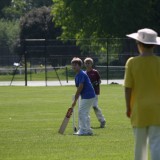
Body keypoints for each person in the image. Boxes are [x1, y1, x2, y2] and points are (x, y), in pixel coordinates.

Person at [124, 28, 160, 160]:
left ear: (139, 44)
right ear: (154, 45)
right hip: (157, 109)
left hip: (139, 109)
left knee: (140, 145)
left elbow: (128, 87)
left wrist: (128, 107)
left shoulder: (132, 62)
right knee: (156, 144)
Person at [71, 57, 96, 136]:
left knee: (81, 112)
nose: (74, 66)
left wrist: (75, 99)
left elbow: (80, 87)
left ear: (80, 66)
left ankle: (83, 130)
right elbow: (78, 87)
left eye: (75, 65)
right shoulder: (77, 76)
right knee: (85, 113)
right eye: (73, 65)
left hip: (88, 95)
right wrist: (76, 98)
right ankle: (88, 130)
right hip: (88, 96)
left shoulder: (81, 74)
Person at [84, 57, 106, 128]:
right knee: (86, 108)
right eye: (86, 63)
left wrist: (96, 83)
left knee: (94, 106)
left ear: (91, 64)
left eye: (89, 63)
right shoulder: (84, 73)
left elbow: (99, 80)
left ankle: (102, 120)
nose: (87, 64)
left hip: (95, 92)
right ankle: (86, 123)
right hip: (87, 93)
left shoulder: (95, 72)